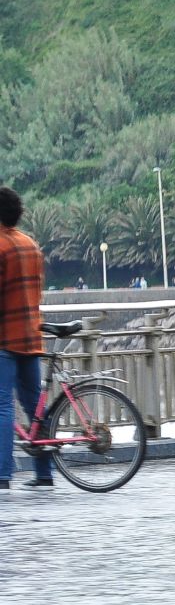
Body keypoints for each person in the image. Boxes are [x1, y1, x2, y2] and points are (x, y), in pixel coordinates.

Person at [0, 188, 56, 490]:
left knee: (2, 406)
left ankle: (2, 475)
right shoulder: (30, 245)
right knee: (35, 406)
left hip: (5, 339)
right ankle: (44, 473)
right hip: (31, 337)